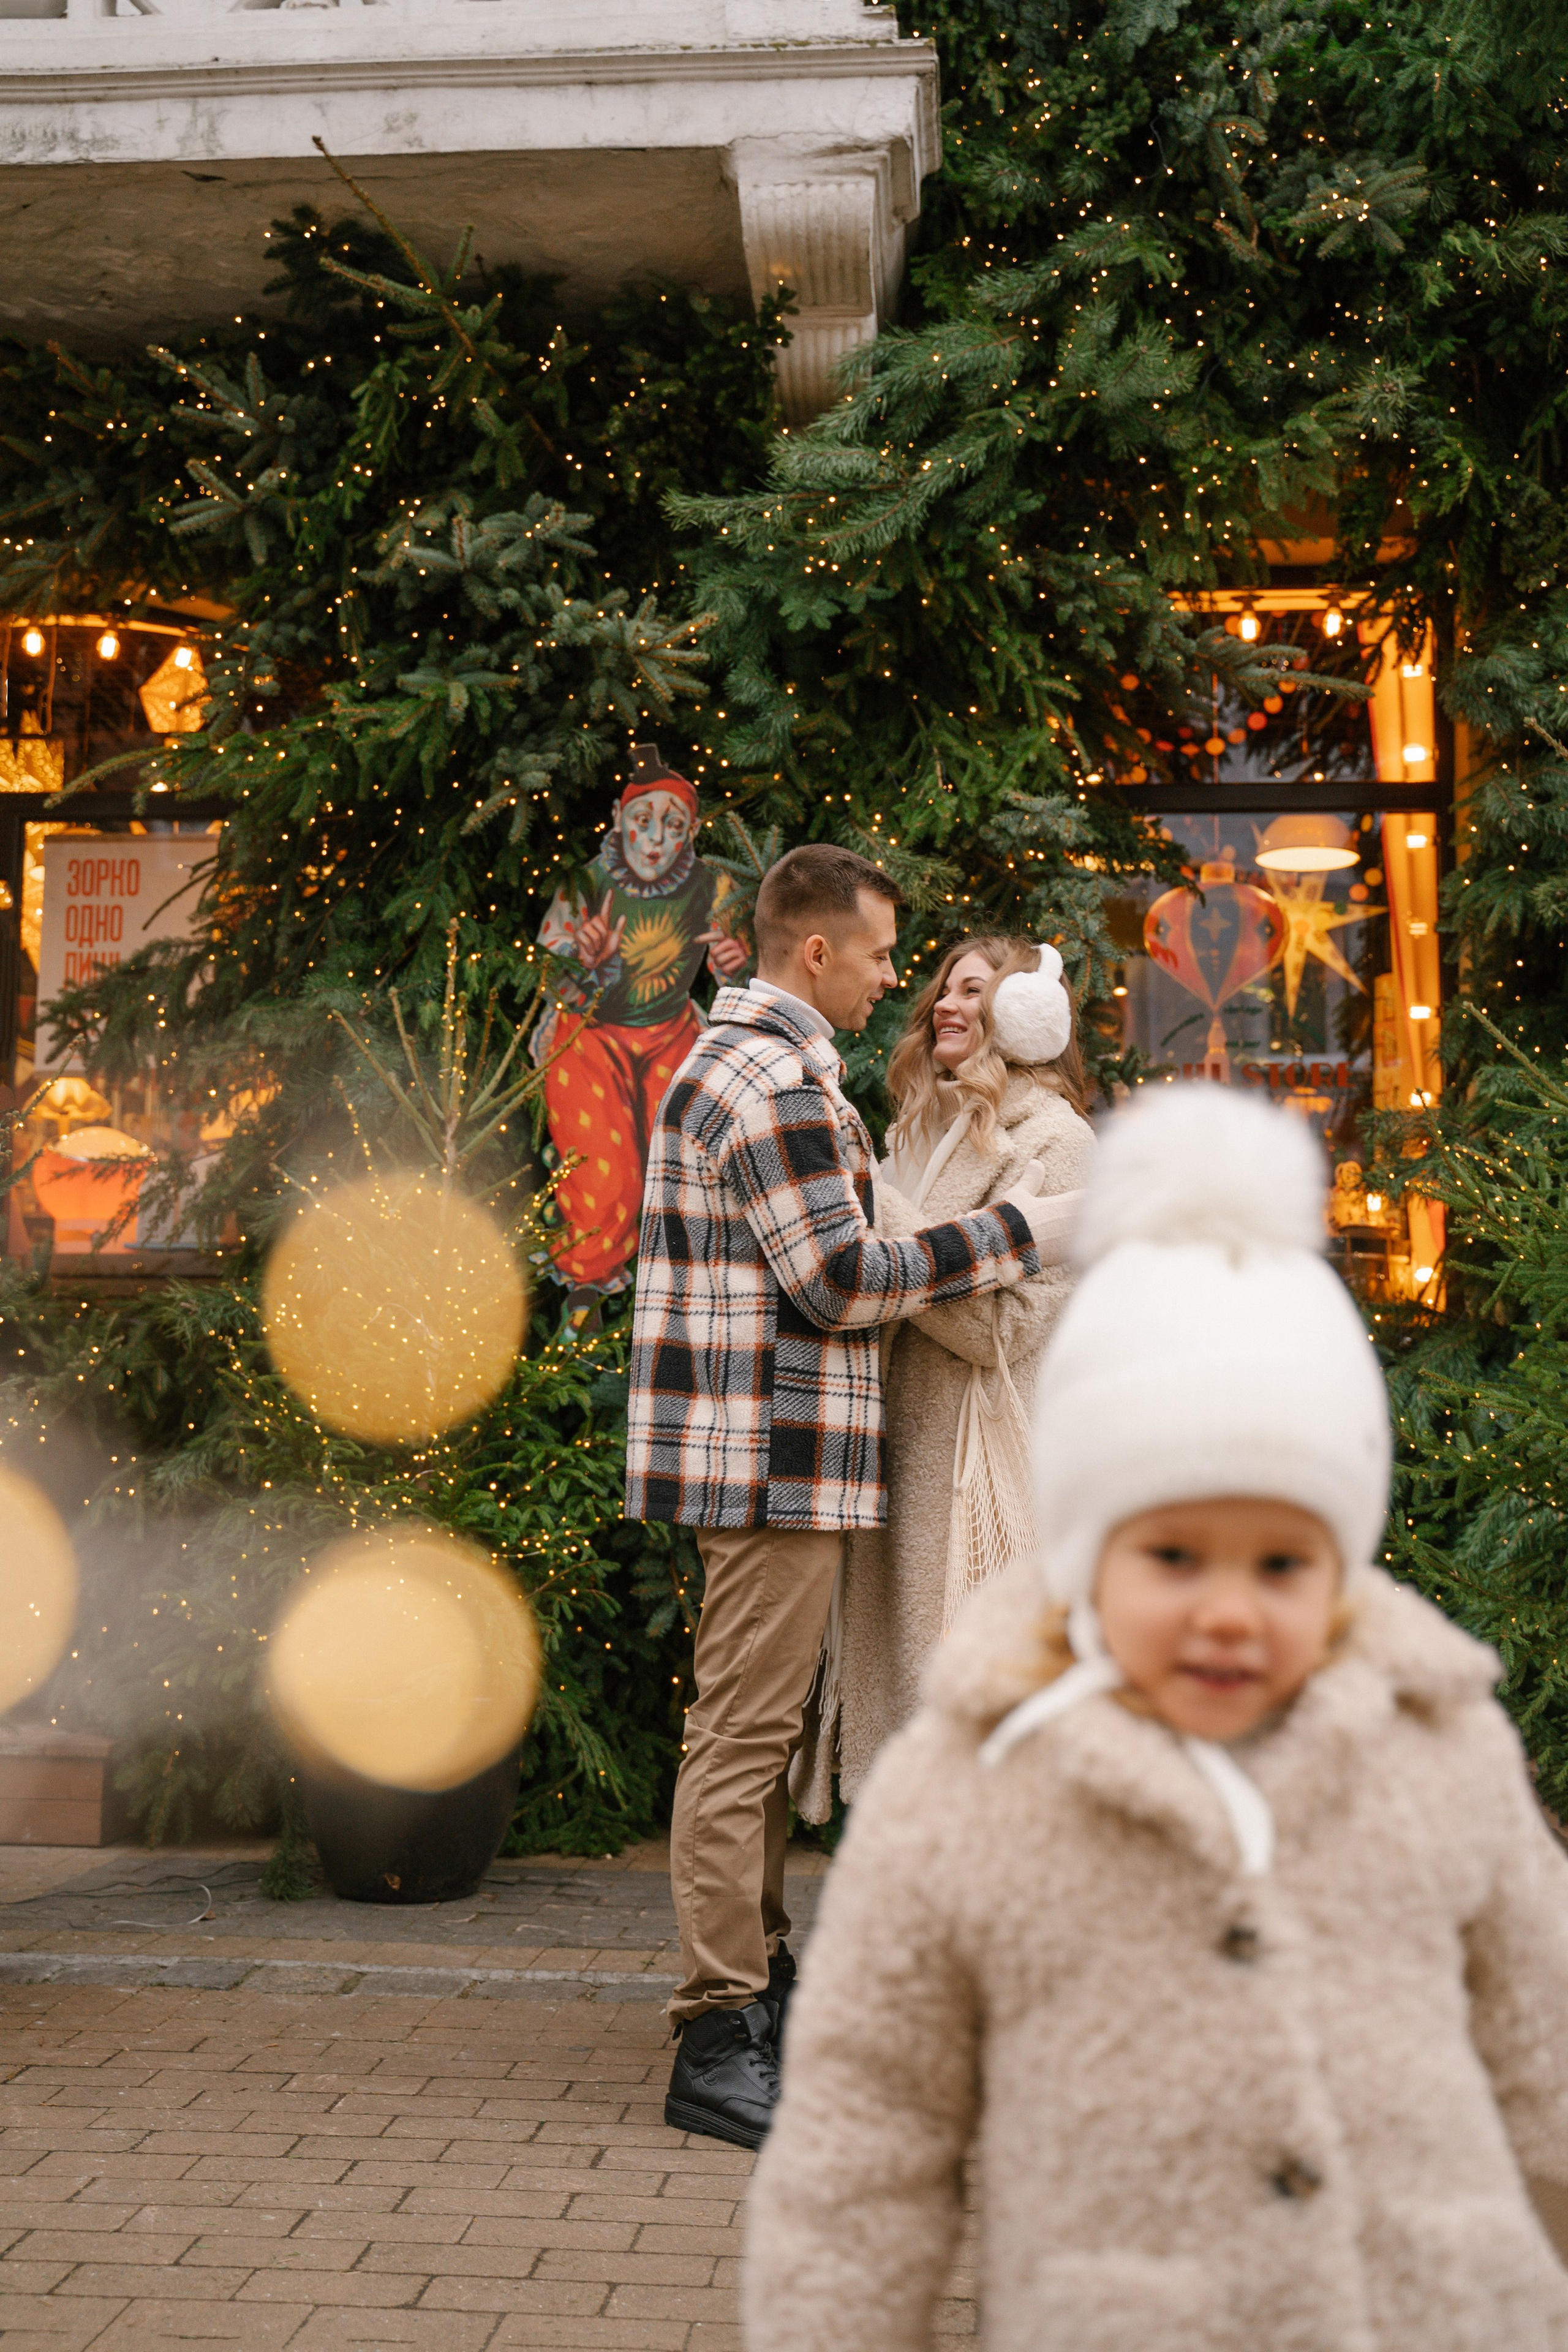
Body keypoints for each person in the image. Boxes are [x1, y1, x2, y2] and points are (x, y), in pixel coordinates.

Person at [745, 1084, 1568, 2352]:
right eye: (1173, 1557)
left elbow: (1542, 2063)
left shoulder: (1436, 1749)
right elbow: (866, 2147)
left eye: (1281, 1564)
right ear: (1082, 1554)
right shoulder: (977, 1788)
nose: (1227, 1613)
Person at [625, 843, 1082, 2150]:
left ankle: (758, 1989)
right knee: (740, 1744)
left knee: (751, 1740)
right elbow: (835, 1279)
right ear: (812, 952)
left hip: (773, 1455)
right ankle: (716, 2031)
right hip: (773, 1457)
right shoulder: (773, 1079)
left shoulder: (766, 1068)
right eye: (884, 954)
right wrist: (1019, 1235)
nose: (898, 979)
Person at [791, 935, 1095, 1823]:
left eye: (976, 991)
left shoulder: (1059, 1143)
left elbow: (1000, 1329)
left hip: (978, 1469)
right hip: (892, 1456)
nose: (945, 1006)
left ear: (1025, 1017)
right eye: (943, 990)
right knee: (898, 1745)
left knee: (977, 1733)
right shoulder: (915, 1132)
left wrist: (880, 1212)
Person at [533, 743, 748, 1307]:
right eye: (642, 823)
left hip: (669, 1035)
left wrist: (735, 965)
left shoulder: (712, 887)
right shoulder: (587, 885)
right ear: (619, 821)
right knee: (603, 1179)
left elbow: (742, 963)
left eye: (671, 825)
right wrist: (586, 961)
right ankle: (583, 1315)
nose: (655, 840)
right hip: (589, 1038)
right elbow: (548, 973)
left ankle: (671, 1311)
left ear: (692, 831)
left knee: (681, 1171)